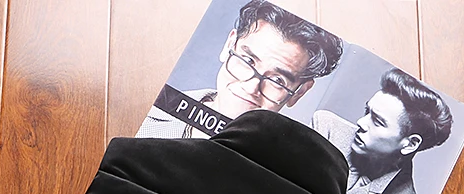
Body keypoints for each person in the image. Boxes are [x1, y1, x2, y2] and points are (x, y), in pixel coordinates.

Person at [312, 68, 453, 194]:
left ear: (410, 144)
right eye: (366, 111)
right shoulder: (325, 128)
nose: (360, 123)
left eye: (377, 122)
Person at [136, 0, 342, 139]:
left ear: (299, 92)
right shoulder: (147, 111)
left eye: (277, 80)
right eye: (248, 60)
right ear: (229, 45)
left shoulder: (289, 169)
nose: (251, 87)